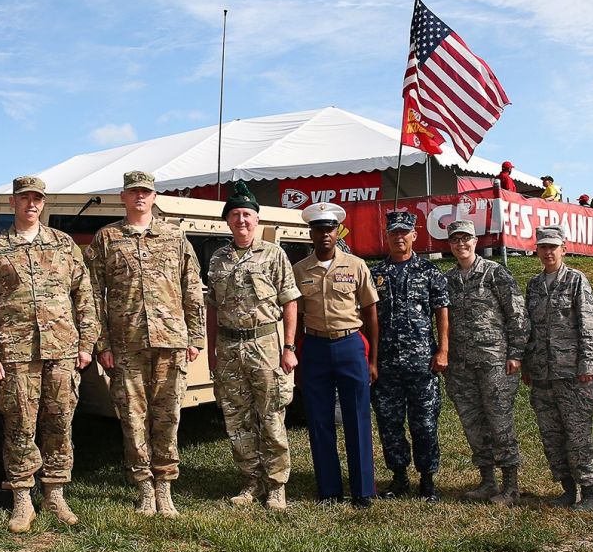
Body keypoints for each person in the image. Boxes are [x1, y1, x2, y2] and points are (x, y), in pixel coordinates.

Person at [0, 175, 100, 532]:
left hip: (62, 351)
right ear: (13, 203)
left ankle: (55, 494)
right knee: (19, 425)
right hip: (16, 354)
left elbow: (84, 296)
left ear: (43, 204)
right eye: (24, 199)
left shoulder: (63, 244)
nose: (31, 204)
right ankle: (22, 498)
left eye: (37, 199)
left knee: (59, 422)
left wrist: (87, 345)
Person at [84, 171, 206, 518]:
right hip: (125, 344)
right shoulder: (107, 238)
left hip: (171, 341)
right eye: (133, 192)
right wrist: (101, 342)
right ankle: (144, 489)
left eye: (146, 192)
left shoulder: (174, 236)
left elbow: (191, 288)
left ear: (154, 197)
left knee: (167, 417)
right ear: (123, 197)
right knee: (133, 418)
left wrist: (195, 336)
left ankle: (165, 487)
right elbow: (93, 295)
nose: (140, 197)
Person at [205, 181, 300, 511]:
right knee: (237, 418)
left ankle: (276, 485)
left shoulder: (274, 255)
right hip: (229, 348)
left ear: (256, 220)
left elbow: (290, 302)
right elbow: (212, 307)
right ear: (228, 221)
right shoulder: (218, 259)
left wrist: (289, 348)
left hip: (265, 346)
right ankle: (250, 481)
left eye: (247, 214)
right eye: (235, 215)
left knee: (271, 415)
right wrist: (212, 352)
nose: (241, 220)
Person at [292, 202, 380, 507]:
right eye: (318, 229)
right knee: (319, 419)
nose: (325, 234)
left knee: (357, 418)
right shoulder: (300, 270)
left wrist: (372, 359)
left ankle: (363, 491)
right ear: (311, 234)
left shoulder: (356, 266)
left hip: (350, 344)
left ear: (336, 231)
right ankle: (329, 490)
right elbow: (298, 319)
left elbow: (371, 313)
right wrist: (298, 360)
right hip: (315, 347)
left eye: (329, 228)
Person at [443, 219, 529, 505]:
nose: (461, 244)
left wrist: (516, 354)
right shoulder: (448, 279)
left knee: (499, 423)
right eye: (455, 240)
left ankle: (511, 486)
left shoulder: (495, 274)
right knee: (473, 423)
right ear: (450, 244)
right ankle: (487, 481)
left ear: (475, 241)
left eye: (466, 239)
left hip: (495, 363)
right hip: (461, 366)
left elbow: (517, 314)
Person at [369, 211, 449, 502]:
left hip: (421, 362)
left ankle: (427, 480)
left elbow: (442, 310)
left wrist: (443, 349)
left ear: (414, 235)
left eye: (404, 232)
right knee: (389, 423)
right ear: (387, 236)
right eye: (394, 233)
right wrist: (373, 360)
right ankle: (399, 476)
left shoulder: (429, 272)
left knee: (425, 423)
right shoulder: (376, 273)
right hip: (387, 363)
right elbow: (370, 318)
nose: (399, 237)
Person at [524, 226, 593, 511]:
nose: (548, 252)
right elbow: (529, 330)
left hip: (573, 373)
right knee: (551, 433)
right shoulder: (534, 285)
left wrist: (587, 365)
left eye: (553, 247)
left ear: (563, 249)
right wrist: (527, 365)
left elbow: (590, 326)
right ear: (537, 250)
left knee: (578, 433)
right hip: (543, 374)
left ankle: (590, 493)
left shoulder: (575, 280)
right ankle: (567, 490)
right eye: (543, 247)